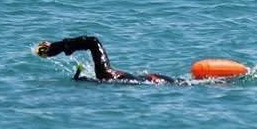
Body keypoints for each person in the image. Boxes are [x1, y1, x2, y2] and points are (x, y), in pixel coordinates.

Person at [35, 35, 176, 84]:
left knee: (93, 42)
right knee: (93, 42)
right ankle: (56, 48)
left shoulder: (174, 83)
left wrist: (86, 81)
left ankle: (53, 49)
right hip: (115, 77)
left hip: (111, 76)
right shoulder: (178, 83)